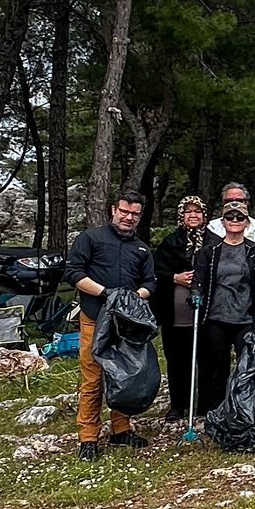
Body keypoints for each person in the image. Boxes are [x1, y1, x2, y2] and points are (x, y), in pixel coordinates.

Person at [67, 188, 157, 460]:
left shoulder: (141, 248)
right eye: (125, 211)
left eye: (135, 214)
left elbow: (150, 282)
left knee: (126, 377)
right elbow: (73, 273)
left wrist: (132, 297)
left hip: (127, 325)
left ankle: (120, 429)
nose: (129, 217)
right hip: (94, 319)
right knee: (93, 379)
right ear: (113, 210)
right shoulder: (90, 238)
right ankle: (88, 438)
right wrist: (105, 293)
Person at [191, 199, 255, 410]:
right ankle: (213, 410)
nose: (235, 220)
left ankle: (245, 408)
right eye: (230, 217)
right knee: (216, 367)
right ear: (223, 222)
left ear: (247, 222)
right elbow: (199, 279)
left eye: (240, 217)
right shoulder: (210, 250)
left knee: (247, 367)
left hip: (245, 317)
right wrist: (195, 292)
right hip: (216, 316)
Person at [152, 194, 209, 422]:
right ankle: (178, 404)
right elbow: (156, 272)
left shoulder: (214, 241)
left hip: (206, 314)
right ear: (181, 216)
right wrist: (175, 277)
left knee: (206, 360)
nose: (193, 215)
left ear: (204, 215)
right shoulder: (169, 242)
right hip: (174, 314)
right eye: (188, 211)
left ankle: (206, 404)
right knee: (176, 360)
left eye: (197, 211)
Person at [207, 183, 255, 253]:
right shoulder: (212, 228)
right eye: (229, 201)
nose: (234, 204)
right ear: (223, 203)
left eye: (239, 201)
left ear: (246, 203)